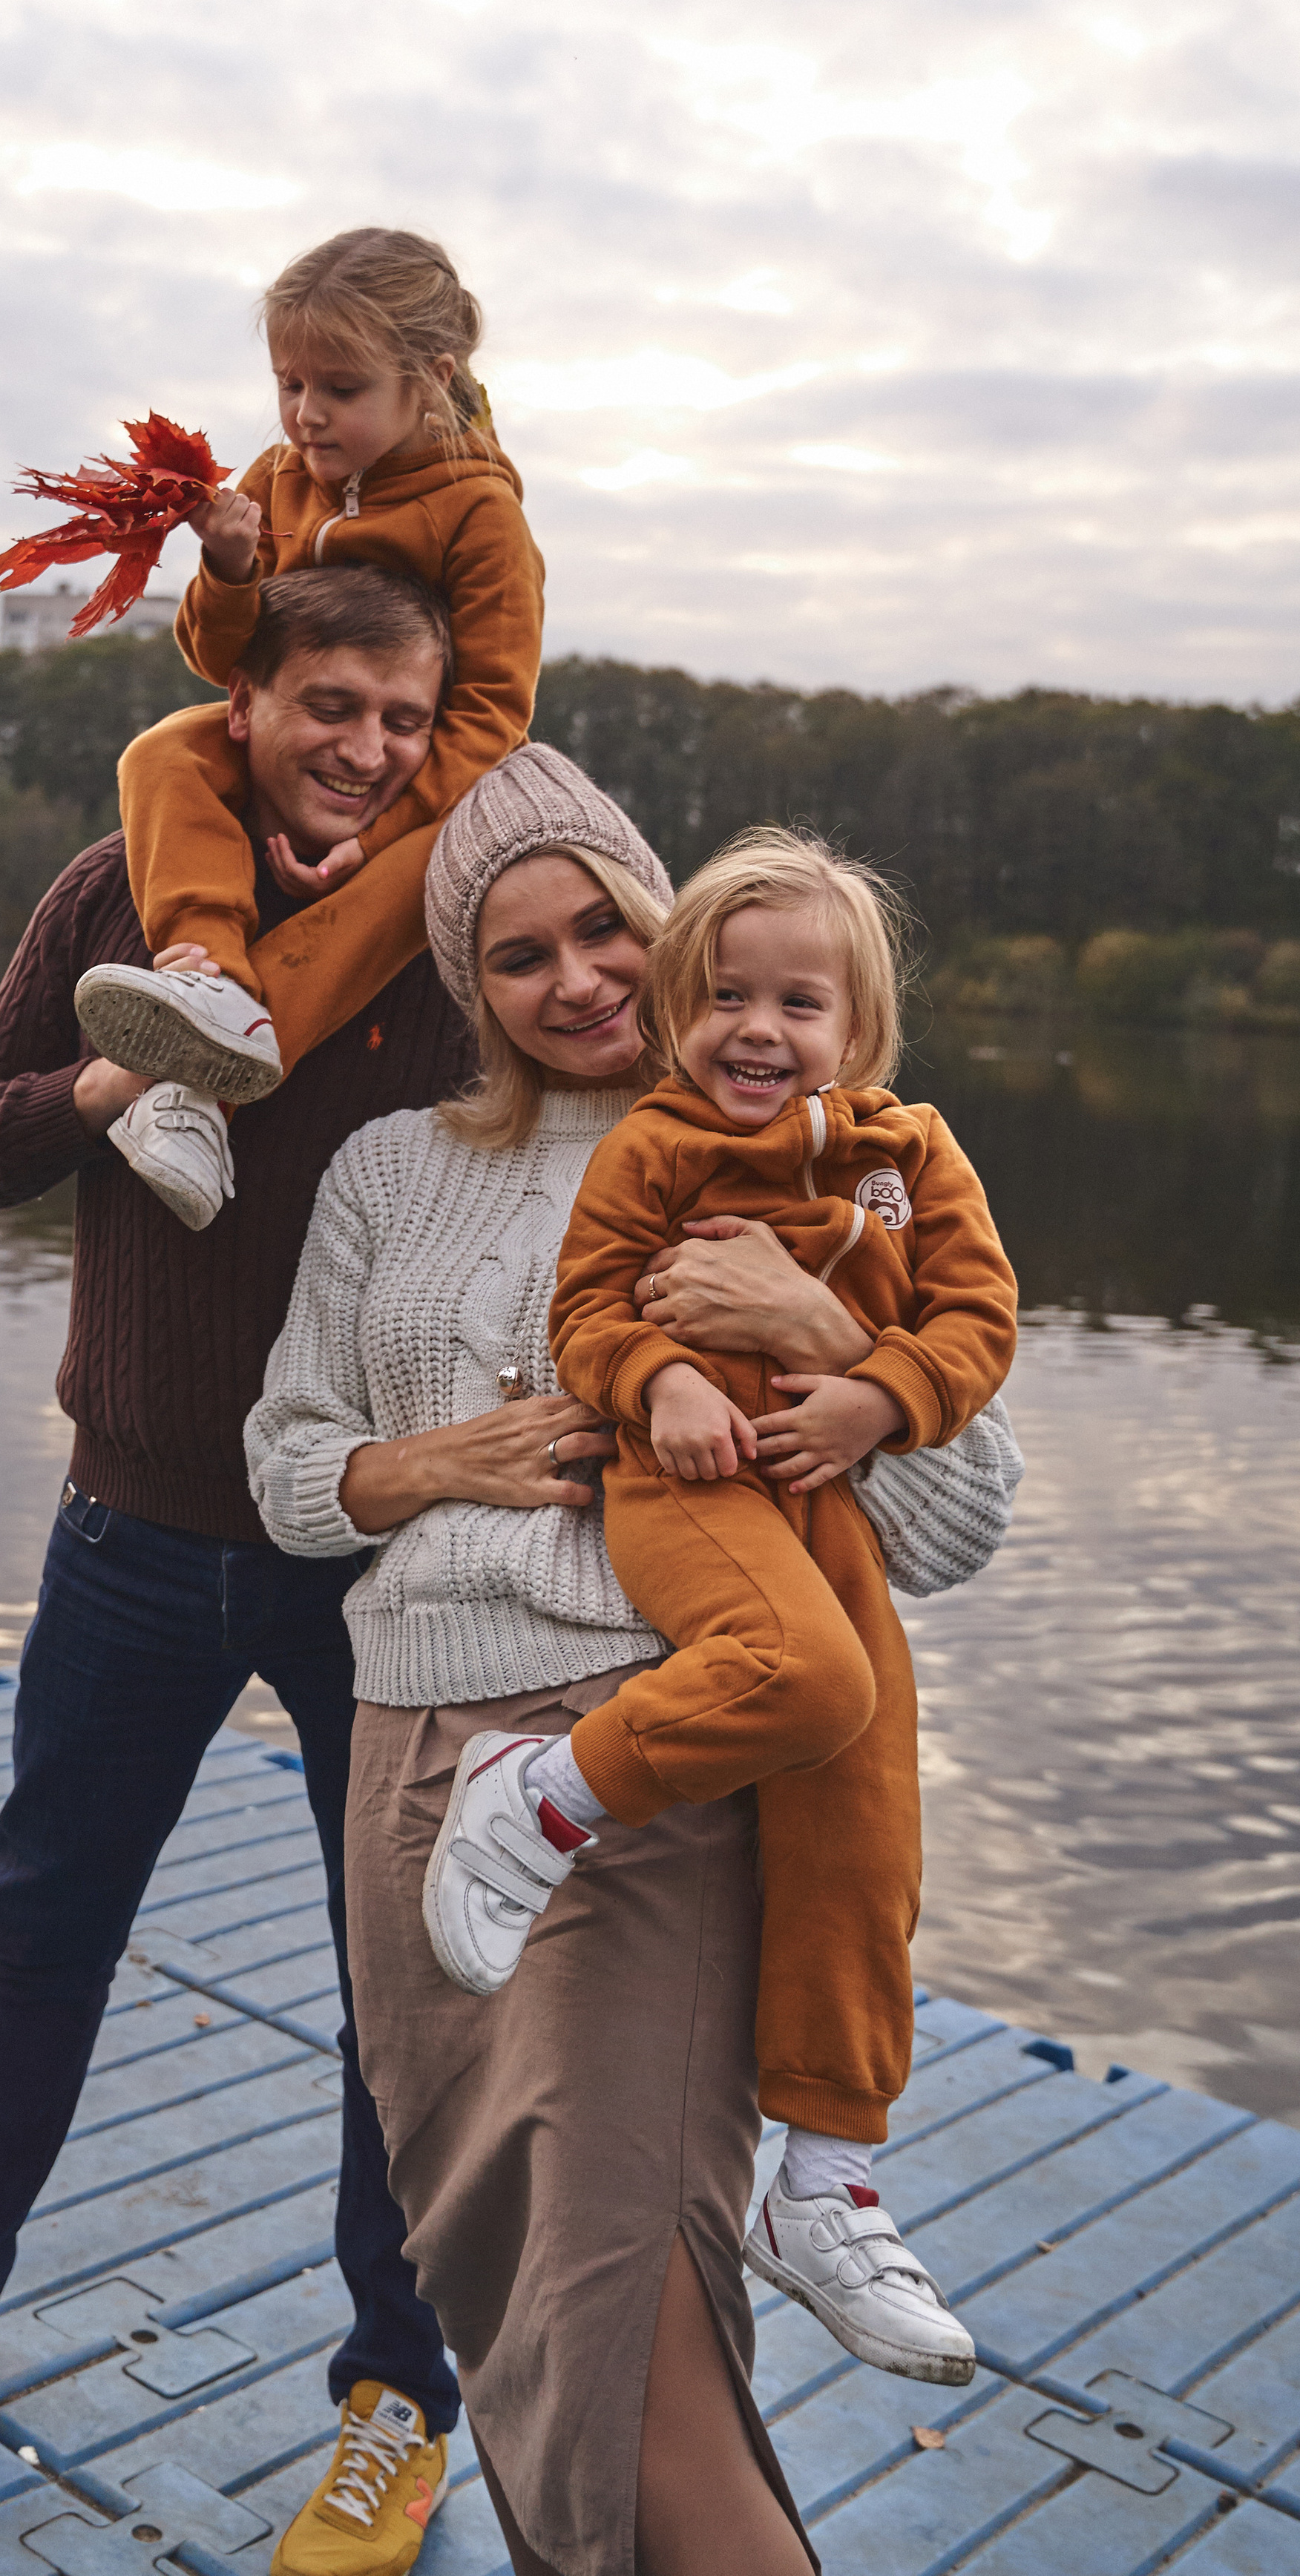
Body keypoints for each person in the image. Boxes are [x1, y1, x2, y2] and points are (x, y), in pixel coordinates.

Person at [0, 563, 472, 2576]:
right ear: (244, 696)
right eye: (333, 704)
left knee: (399, 1991)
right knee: (42, 1922)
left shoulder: (461, 925)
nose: (368, 751)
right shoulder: (117, 888)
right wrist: (117, 1078)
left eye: (405, 721)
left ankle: (398, 2400)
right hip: (130, 1527)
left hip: (376, 1555)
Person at [246, 747, 1021, 2576]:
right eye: (521, 957)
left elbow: (958, 1525)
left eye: (607, 924)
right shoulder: (383, 1172)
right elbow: (289, 1475)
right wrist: (456, 1456)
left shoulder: (829, 1144)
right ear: (474, 992)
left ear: (671, 924)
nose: (579, 976)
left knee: (623, 2291)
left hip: (645, 1751)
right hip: (414, 1742)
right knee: (486, 2258)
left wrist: (816, 1322)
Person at [488, 824, 1015, 2390]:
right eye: (721, 995)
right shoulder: (647, 1147)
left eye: (798, 1004)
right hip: (696, 1474)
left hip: (828, 1489)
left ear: (854, 1033)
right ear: (672, 1007)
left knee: (866, 1818)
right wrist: (654, 1376)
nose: (757, 1031)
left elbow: (978, 1324)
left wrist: (873, 1388)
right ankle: (548, 1793)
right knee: (799, 1684)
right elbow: (583, 1313)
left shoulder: (908, 1158)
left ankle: (828, 2175)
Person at [72, 227, 544, 1230]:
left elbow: (492, 716)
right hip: (289, 744)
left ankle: (206, 1087)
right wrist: (233, 572)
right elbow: (218, 663)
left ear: (430, 379)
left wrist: (377, 834)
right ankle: (205, 975)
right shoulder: (278, 476)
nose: (306, 414)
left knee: (414, 877)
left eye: (339, 389)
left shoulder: (479, 515)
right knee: (163, 751)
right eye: (289, 384)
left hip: (420, 784)